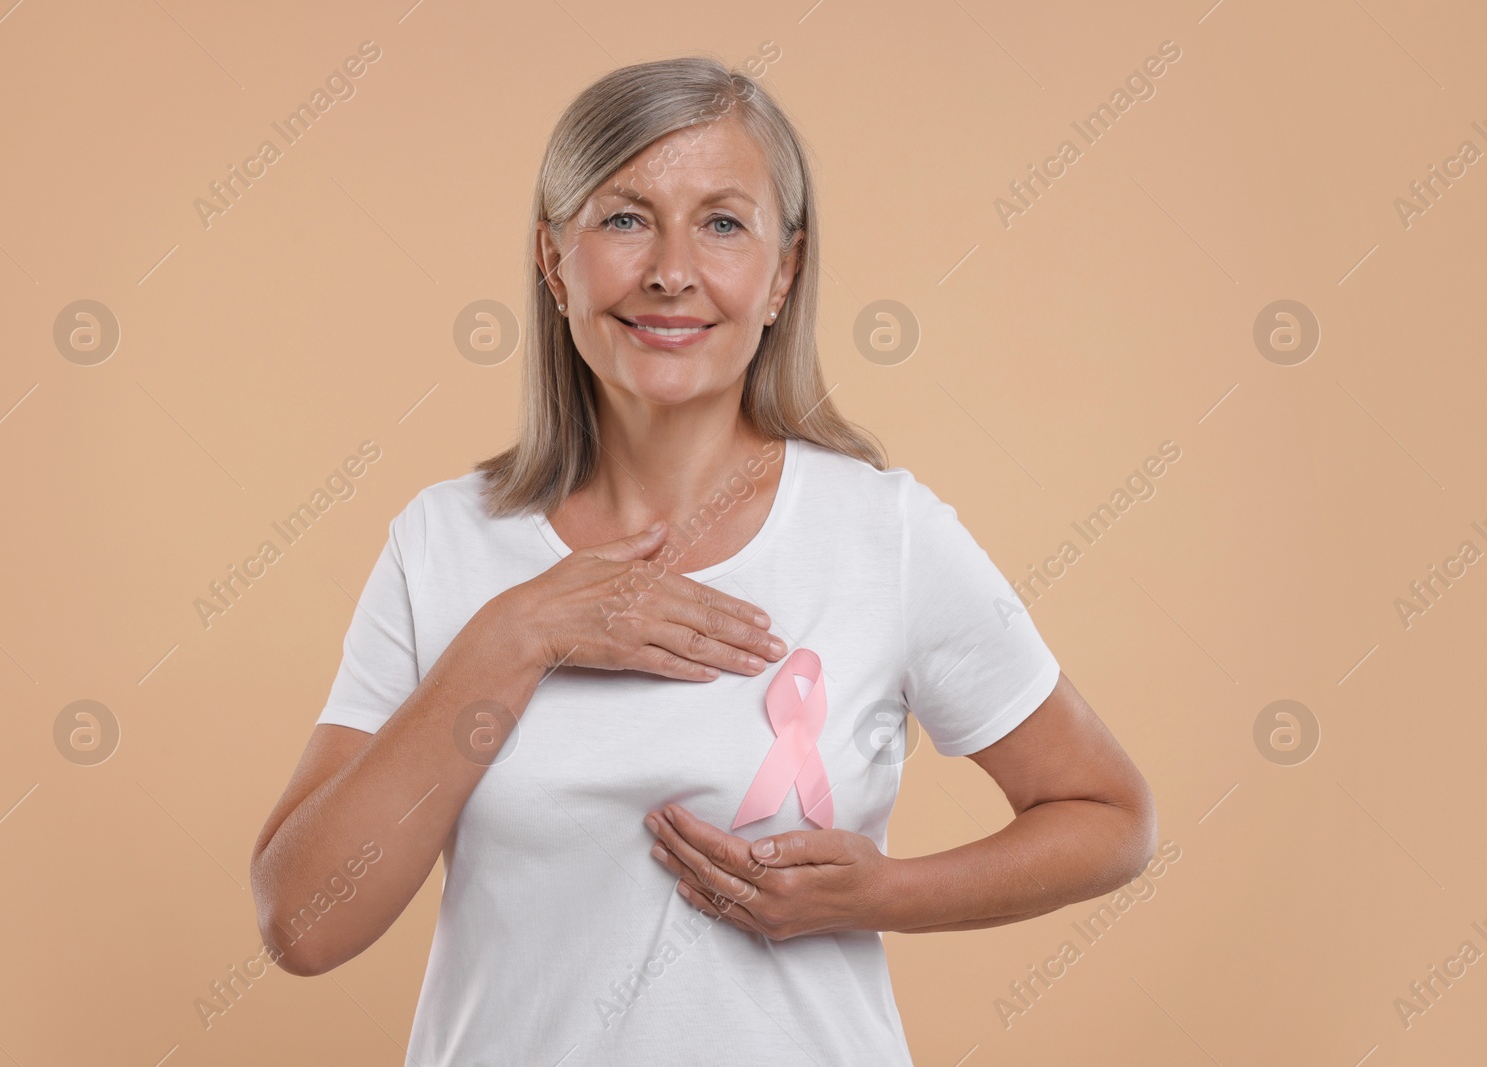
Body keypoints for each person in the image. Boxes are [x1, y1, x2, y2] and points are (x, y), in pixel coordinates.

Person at [250, 55, 1156, 1065]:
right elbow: (303, 921)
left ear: (783, 273)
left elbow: (1110, 814)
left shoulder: (882, 532)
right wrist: (517, 633)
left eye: (722, 222)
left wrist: (886, 893)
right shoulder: (442, 540)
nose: (670, 269)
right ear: (554, 262)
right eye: (625, 218)